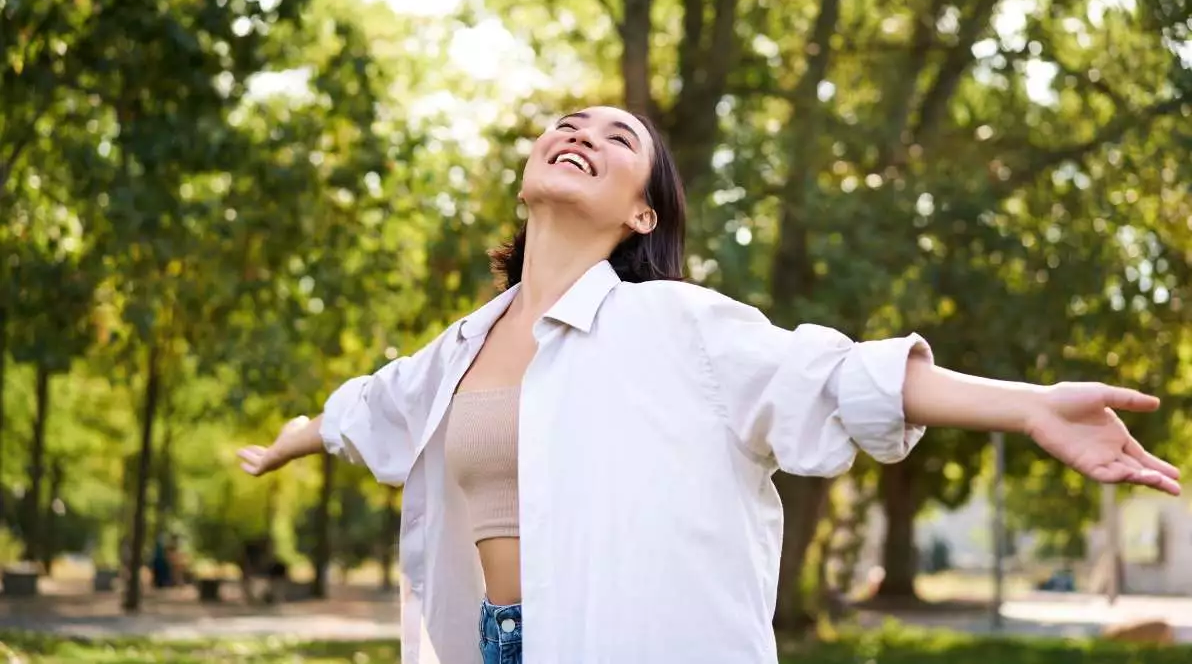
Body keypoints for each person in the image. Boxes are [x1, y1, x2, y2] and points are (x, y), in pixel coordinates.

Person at [237, 106, 1180, 664]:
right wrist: (296, 434)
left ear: (642, 208)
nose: (580, 131)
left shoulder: (677, 326)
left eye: (617, 136)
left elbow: (839, 375)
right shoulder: (460, 346)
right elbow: (373, 407)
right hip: (497, 643)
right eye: (569, 122)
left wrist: (1029, 404)